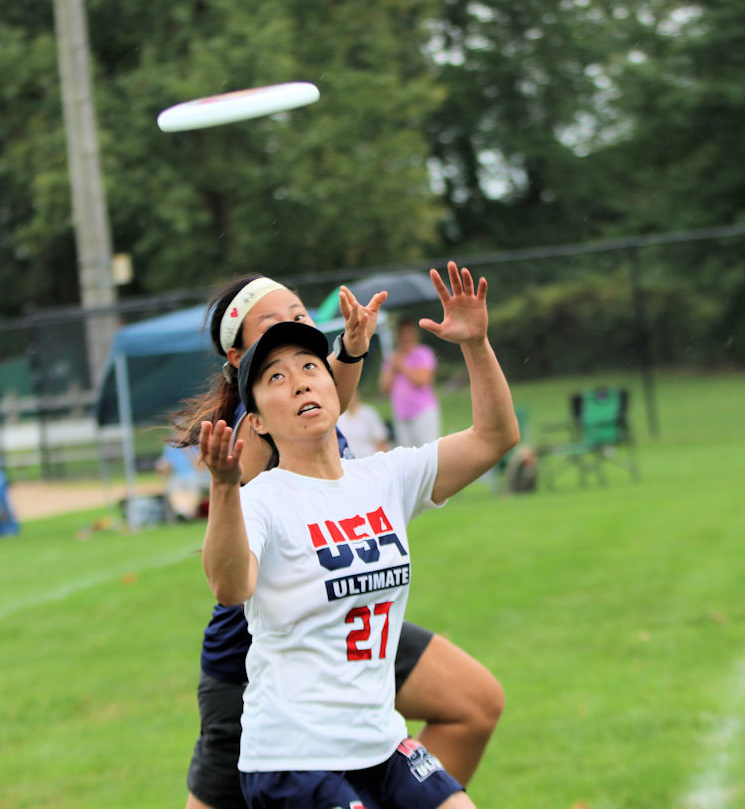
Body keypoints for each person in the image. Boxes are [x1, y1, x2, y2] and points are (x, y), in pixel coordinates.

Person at [174, 274, 504, 809]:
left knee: (474, 702)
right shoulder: (252, 440)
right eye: (273, 325)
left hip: (352, 623)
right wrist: (223, 486)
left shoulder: (365, 461)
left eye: (300, 316)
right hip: (259, 658)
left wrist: (467, 343)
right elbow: (232, 583)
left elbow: (328, 397)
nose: (300, 380)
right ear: (240, 362)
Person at [380, 314, 441, 447]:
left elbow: (422, 380)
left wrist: (401, 366)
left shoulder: (424, 353)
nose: (406, 337)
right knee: (407, 454)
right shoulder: (392, 358)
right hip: (401, 415)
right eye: (403, 333)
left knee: (427, 450)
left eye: (409, 333)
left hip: (422, 412)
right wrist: (392, 367)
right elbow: (384, 387)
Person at [337, 390, 390, 457]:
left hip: (369, 457)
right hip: (347, 459)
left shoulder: (368, 413)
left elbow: (380, 440)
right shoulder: (339, 417)